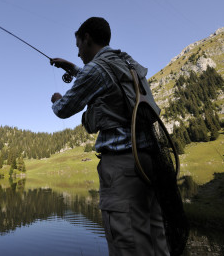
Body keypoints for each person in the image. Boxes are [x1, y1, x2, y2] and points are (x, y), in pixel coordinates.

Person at [50, 17, 170, 256]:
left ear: (87, 38)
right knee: (156, 238)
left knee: (127, 242)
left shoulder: (96, 68)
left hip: (122, 166)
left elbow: (64, 109)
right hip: (149, 159)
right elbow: (103, 79)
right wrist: (71, 68)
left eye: (78, 47)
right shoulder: (127, 62)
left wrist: (55, 100)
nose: (78, 53)